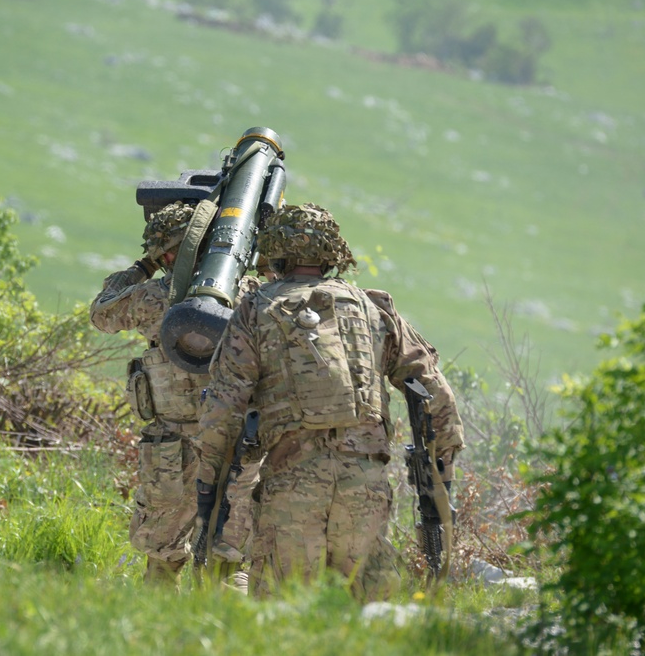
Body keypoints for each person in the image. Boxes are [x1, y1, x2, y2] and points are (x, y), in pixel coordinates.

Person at [196, 203, 466, 601]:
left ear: (275, 253)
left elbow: (223, 408)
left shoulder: (256, 309)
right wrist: (441, 474)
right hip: (365, 485)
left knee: (283, 614)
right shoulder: (373, 307)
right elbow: (434, 393)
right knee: (372, 613)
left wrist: (210, 486)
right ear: (332, 253)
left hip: (293, 484)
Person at [89, 201, 260, 586]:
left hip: (173, 444)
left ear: (169, 254)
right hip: (235, 441)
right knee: (231, 557)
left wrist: (141, 268)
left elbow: (102, 313)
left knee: (163, 555)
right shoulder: (250, 293)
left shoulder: (154, 295)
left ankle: (157, 633)